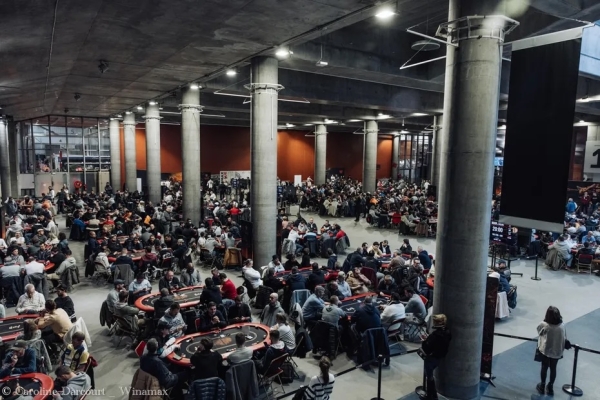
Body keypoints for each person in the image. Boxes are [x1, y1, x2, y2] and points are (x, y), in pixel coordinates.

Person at [536, 306, 568, 396]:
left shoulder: (544, 325)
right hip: (557, 351)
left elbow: (539, 331)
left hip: (546, 350)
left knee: (544, 367)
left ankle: (542, 385)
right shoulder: (562, 325)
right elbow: (565, 337)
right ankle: (550, 387)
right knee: (553, 368)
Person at [419, 314, 451, 400]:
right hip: (440, 356)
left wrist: (424, 341)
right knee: (430, 376)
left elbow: (426, 349)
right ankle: (433, 395)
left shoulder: (435, 335)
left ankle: (430, 396)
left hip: (431, 357)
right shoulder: (447, 332)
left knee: (429, 376)